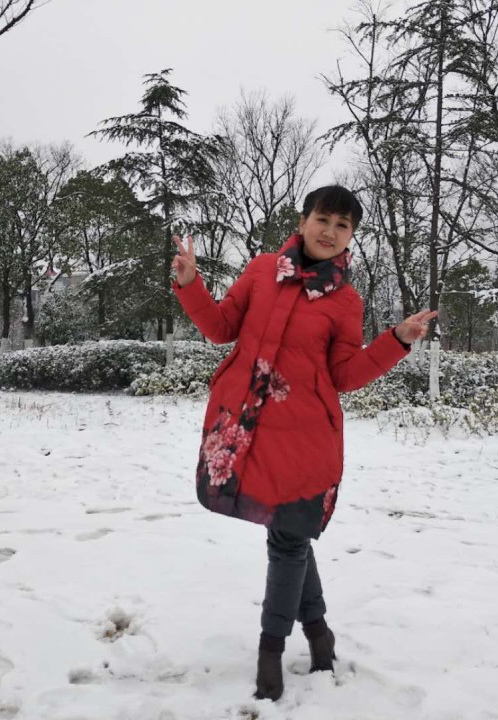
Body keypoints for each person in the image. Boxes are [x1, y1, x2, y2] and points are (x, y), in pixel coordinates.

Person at [172, 185, 436, 702]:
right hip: (247, 425)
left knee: (289, 538)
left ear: (351, 236)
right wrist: (190, 285)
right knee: (289, 534)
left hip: (306, 435)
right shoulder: (260, 270)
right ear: (303, 221)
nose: (330, 232)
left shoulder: (346, 300)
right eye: (323, 219)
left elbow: (345, 374)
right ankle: (318, 634)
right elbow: (221, 328)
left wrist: (397, 340)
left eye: (343, 225)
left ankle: (270, 651)